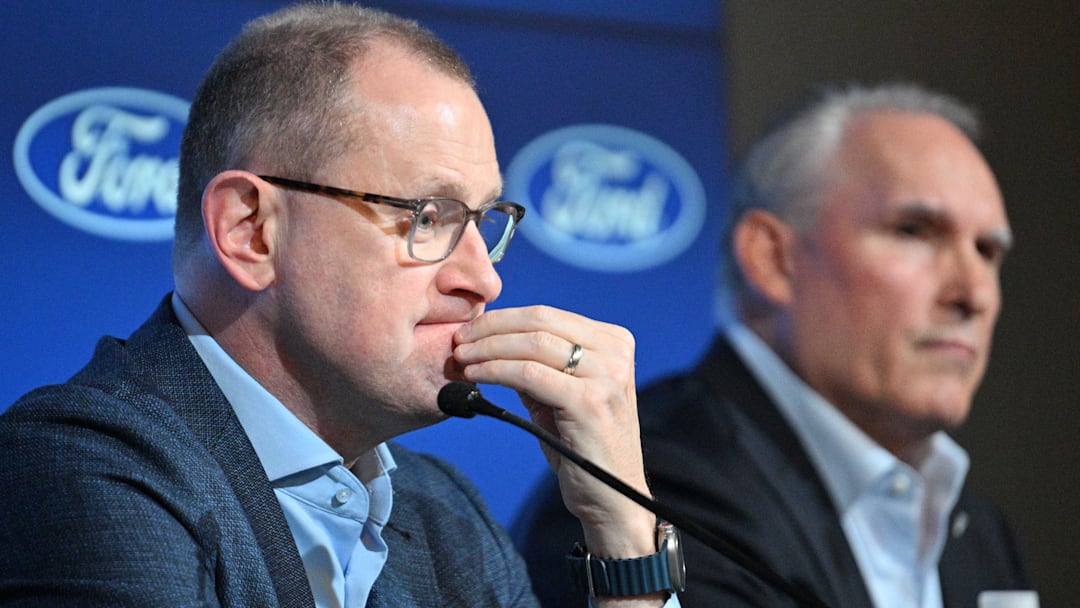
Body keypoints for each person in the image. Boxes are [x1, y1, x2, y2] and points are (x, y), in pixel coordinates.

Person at [0, 4, 681, 607]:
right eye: (431, 214)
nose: (484, 280)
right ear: (251, 231)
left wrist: (623, 534)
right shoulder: (80, 468)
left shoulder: (448, 514)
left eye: (484, 219)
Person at [513, 82, 1031, 607]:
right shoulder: (651, 490)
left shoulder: (975, 527)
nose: (974, 293)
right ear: (772, 258)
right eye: (914, 231)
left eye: (988, 251)